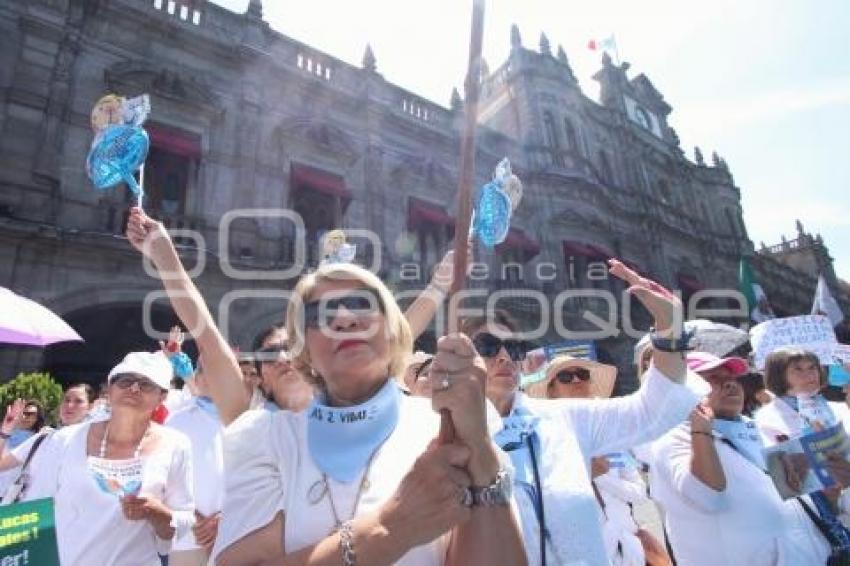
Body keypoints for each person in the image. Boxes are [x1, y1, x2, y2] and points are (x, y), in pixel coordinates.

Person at [126, 207, 526, 565]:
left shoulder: (447, 425)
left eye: (364, 305)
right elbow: (210, 340)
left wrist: (481, 455)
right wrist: (393, 527)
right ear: (304, 353)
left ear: (393, 332)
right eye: (320, 313)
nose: (346, 319)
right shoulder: (264, 436)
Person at [464, 260, 700, 566]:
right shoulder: (440, 432)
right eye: (488, 346)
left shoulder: (563, 419)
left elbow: (649, 411)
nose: (505, 357)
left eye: (515, 348)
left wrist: (670, 328)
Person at [650, 351, 829, 564]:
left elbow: (801, 494)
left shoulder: (758, 429)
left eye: (731, 378)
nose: (730, 384)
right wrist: (700, 431)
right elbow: (708, 496)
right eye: (712, 380)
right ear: (682, 392)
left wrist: (824, 471)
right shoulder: (673, 439)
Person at [25, 351, 195, 565]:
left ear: (162, 397)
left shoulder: (176, 444)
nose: (134, 389)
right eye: (125, 381)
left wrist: (157, 513)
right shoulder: (65, 440)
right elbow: (36, 507)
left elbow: (184, 518)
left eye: (146, 384)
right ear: (109, 389)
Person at [524, 355, 648, 566]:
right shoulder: (542, 441)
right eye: (565, 376)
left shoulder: (611, 434)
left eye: (582, 374)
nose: (576, 381)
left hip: (628, 552)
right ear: (551, 391)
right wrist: (583, 471)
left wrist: (601, 478)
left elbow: (639, 494)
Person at [755, 347, 850, 562]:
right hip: (811, 519)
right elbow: (781, 476)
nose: (810, 375)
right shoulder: (765, 420)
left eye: (813, 368)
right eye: (798, 370)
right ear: (779, 376)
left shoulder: (840, 409)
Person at [165, 362, 225, 566]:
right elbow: (165, 478)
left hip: (235, 533)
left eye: (219, 370)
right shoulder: (175, 422)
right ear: (196, 379)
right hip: (188, 537)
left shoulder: (250, 419)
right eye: (203, 370)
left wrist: (226, 517)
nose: (212, 376)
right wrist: (191, 517)